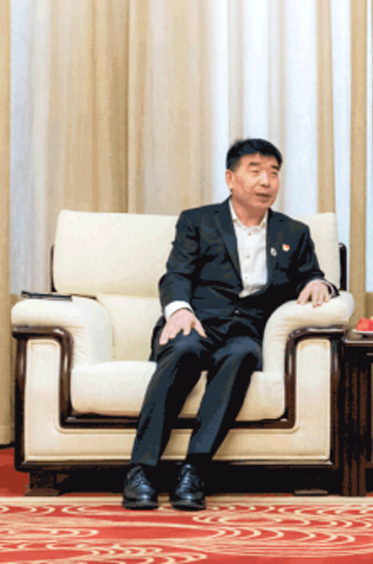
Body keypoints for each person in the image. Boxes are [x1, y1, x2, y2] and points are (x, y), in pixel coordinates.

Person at [122, 138, 336, 511]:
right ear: (230, 178)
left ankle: (194, 471)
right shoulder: (198, 221)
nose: (266, 181)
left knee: (242, 356)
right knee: (184, 351)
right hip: (196, 321)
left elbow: (311, 275)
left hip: (245, 331)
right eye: (255, 171)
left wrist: (320, 284)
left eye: (273, 173)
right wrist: (179, 310)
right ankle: (141, 470)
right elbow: (176, 273)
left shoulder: (294, 233)